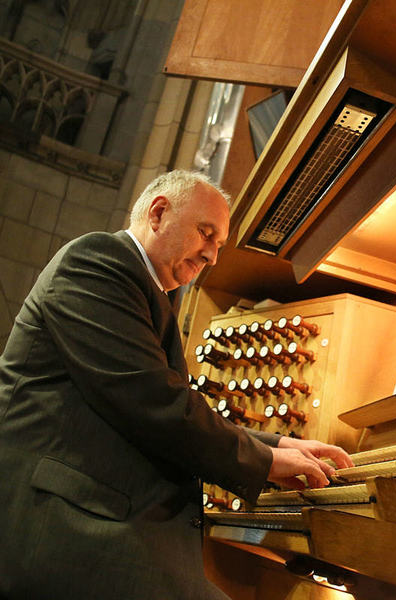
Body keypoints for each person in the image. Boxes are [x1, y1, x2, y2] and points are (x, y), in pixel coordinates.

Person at [0, 170, 354, 599]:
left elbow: (165, 403)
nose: (212, 257)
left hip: (106, 515)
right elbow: (155, 403)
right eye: (206, 234)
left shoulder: (142, 287)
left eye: (219, 245)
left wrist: (278, 445)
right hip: (67, 526)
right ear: (159, 212)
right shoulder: (97, 262)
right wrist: (265, 463)